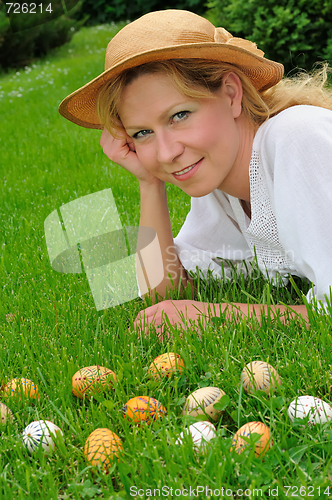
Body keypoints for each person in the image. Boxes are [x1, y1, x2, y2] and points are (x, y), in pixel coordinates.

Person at [59, 9, 332, 337]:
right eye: (142, 133)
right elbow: (168, 295)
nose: (166, 153)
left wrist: (219, 315)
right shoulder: (221, 181)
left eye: (179, 115)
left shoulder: (297, 137)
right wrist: (149, 183)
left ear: (231, 94)